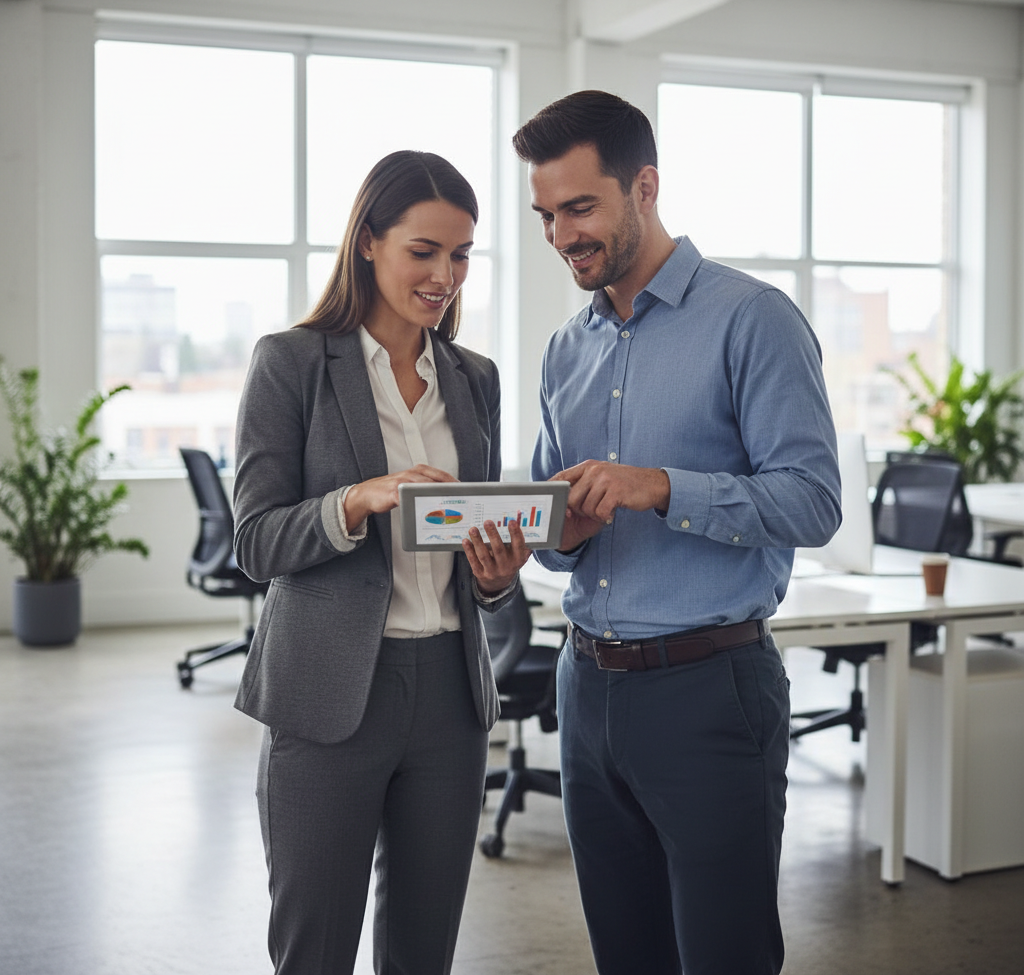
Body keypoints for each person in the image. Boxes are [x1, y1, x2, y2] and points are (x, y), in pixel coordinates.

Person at [514, 91, 842, 975]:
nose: (561, 236)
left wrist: (661, 487)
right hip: (586, 690)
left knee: (723, 955)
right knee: (626, 954)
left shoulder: (752, 318)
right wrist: (551, 530)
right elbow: (555, 539)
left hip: (709, 691)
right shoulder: (564, 350)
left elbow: (812, 502)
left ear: (644, 186)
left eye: (580, 208)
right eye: (546, 215)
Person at [231, 150, 531, 975]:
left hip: (449, 695)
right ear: (368, 242)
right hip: (330, 692)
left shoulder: (474, 379)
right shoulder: (291, 363)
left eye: (462, 254)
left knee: (423, 952)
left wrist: (497, 573)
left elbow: (474, 564)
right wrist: (358, 500)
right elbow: (254, 542)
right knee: (315, 948)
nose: (446, 276)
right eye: (424, 251)